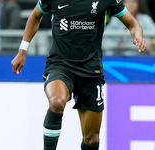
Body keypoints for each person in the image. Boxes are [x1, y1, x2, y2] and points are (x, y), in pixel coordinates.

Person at [11, 0, 147, 149]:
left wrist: (138, 36)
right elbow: (36, 16)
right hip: (60, 66)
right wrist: (22, 50)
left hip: (91, 72)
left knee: (91, 138)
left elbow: (133, 24)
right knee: (56, 102)